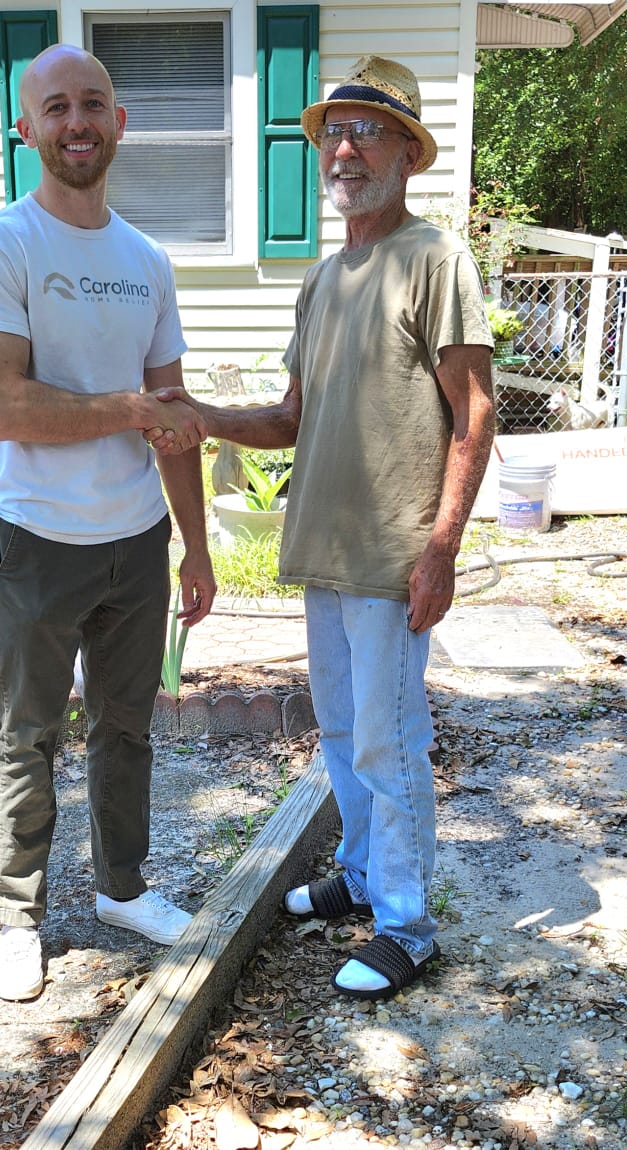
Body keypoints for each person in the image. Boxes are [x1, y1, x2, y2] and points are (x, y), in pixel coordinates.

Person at [158, 56, 495, 1000]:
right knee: (344, 730)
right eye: (332, 131)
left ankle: (408, 927)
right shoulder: (322, 279)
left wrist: (442, 549)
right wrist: (203, 416)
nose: (343, 147)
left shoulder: (437, 259)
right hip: (325, 550)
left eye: (366, 130)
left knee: (390, 737)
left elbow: (475, 415)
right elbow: (290, 418)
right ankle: (359, 873)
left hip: (394, 558)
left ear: (407, 153)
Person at [0, 43, 216, 1002]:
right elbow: (3, 408)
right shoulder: (2, 245)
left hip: (137, 542)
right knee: (28, 734)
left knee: (127, 728)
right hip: (36, 538)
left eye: (93, 104)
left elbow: (175, 414)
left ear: (119, 124)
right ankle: (18, 917)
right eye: (56, 107)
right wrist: (127, 411)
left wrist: (194, 541)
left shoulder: (146, 260)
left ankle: (121, 889)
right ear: (27, 129)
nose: (77, 123)